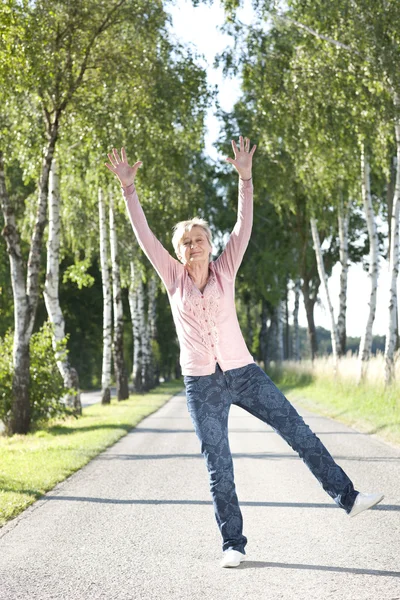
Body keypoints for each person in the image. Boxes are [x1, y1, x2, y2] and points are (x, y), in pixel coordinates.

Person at [105, 138, 384, 569]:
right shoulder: (172, 277)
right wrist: (129, 190)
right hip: (202, 384)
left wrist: (245, 178)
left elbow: (243, 225)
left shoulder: (226, 269)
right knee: (219, 465)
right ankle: (232, 544)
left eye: (199, 239)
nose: (193, 245)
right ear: (178, 251)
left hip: (245, 372)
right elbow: (143, 234)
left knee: (300, 433)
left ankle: (348, 498)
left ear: (210, 246)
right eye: (186, 242)